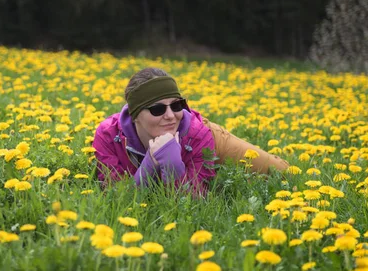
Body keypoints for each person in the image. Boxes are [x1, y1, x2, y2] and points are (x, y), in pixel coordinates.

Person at [92, 67, 289, 195]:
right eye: (158, 109)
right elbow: (116, 197)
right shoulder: (109, 136)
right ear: (135, 115)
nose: (170, 115)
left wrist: (172, 165)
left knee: (281, 173)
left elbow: (194, 202)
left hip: (205, 139)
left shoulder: (198, 132)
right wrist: (150, 164)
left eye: (177, 105)